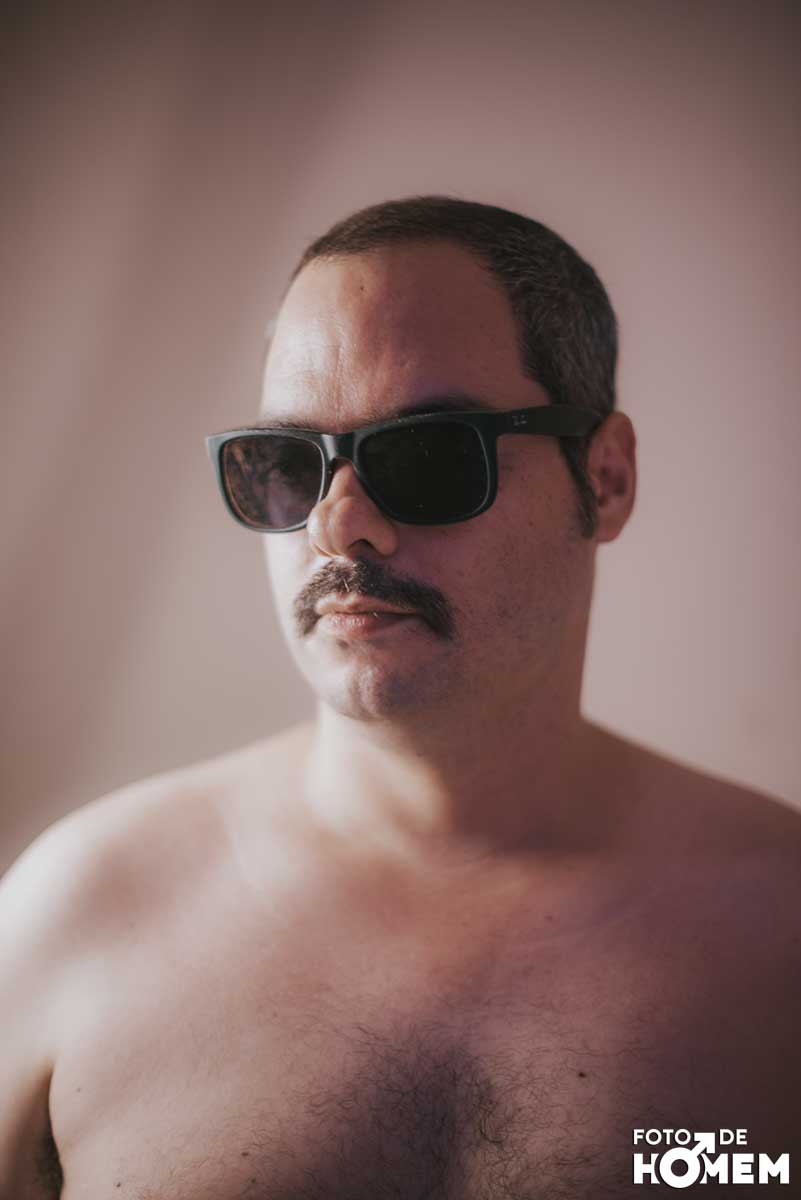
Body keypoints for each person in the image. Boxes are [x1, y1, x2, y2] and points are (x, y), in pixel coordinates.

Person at [1, 196, 799, 1199]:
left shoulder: (778, 939)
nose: (339, 528)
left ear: (605, 477)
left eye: (427, 456)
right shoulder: (80, 912)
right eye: (285, 464)